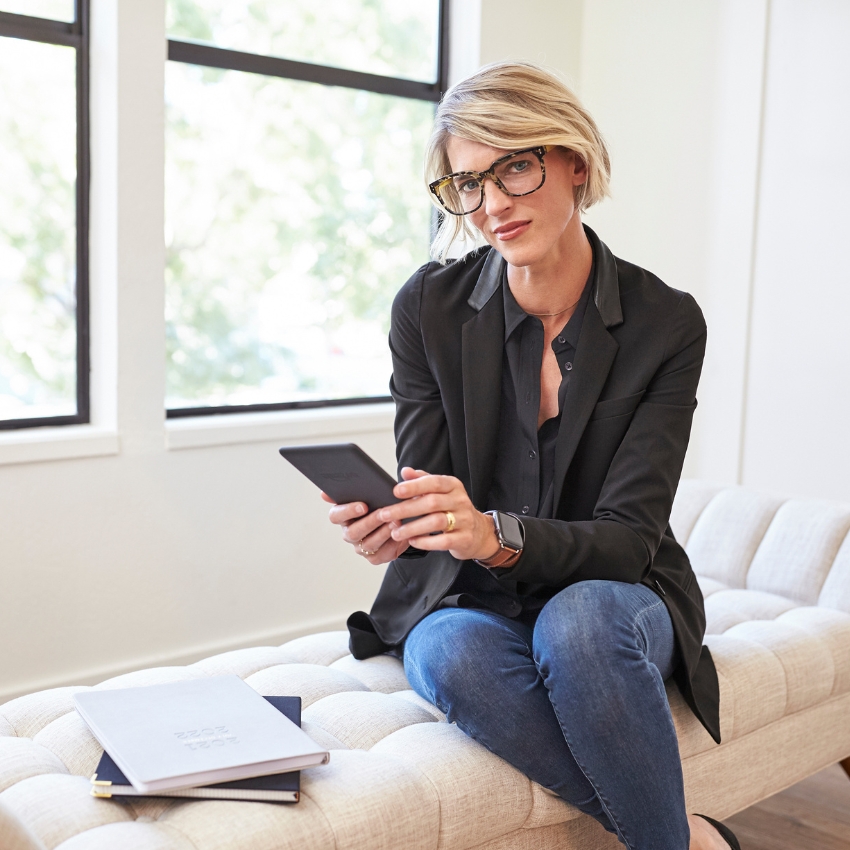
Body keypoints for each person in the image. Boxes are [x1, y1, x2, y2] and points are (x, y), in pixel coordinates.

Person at [323, 62, 737, 850]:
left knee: (578, 626)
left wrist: (496, 534)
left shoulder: (666, 323)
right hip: (474, 596)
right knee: (447, 650)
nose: (492, 206)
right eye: (466, 184)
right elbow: (431, 484)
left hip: (619, 590)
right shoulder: (427, 308)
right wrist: (401, 524)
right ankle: (682, 837)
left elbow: (627, 537)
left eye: (514, 166)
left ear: (574, 162)